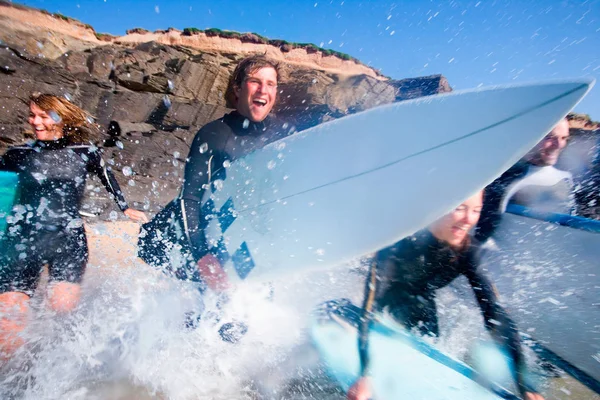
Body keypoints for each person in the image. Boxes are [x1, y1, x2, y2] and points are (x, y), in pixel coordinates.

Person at [346, 191, 544, 400]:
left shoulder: (468, 251)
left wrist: (525, 384)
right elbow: (369, 309)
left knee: (430, 340)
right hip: (389, 297)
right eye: (459, 208)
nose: (469, 220)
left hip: (423, 296)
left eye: (476, 211)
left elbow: (495, 315)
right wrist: (364, 375)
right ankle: (340, 310)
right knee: (394, 316)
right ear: (436, 208)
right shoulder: (399, 245)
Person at [0, 93, 148, 360]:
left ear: (60, 118)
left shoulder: (85, 153)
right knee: (9, 324)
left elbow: (107, 175)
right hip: (21, 243)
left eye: (43, 116)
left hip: (67, 243)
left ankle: (51, 370)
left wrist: (124, 207)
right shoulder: (16, 155)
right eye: (33, 115)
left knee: (62, 313)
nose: (35, 121)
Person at [140, 54, 294, 291]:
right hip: (199, 240)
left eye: (271, 84)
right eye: (255, 81)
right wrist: (202, 256)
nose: (263, 90)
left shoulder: (284, 134)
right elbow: (189, 198)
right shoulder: (214, 135)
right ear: (238, 89)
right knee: (200, 318)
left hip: (243, 240)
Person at [476, 118, 573, 242]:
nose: (558, 145)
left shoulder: (566, 178)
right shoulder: (504, 178)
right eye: (550, 137)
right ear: (530, 136)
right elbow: (481, 238)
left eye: (564, 138)